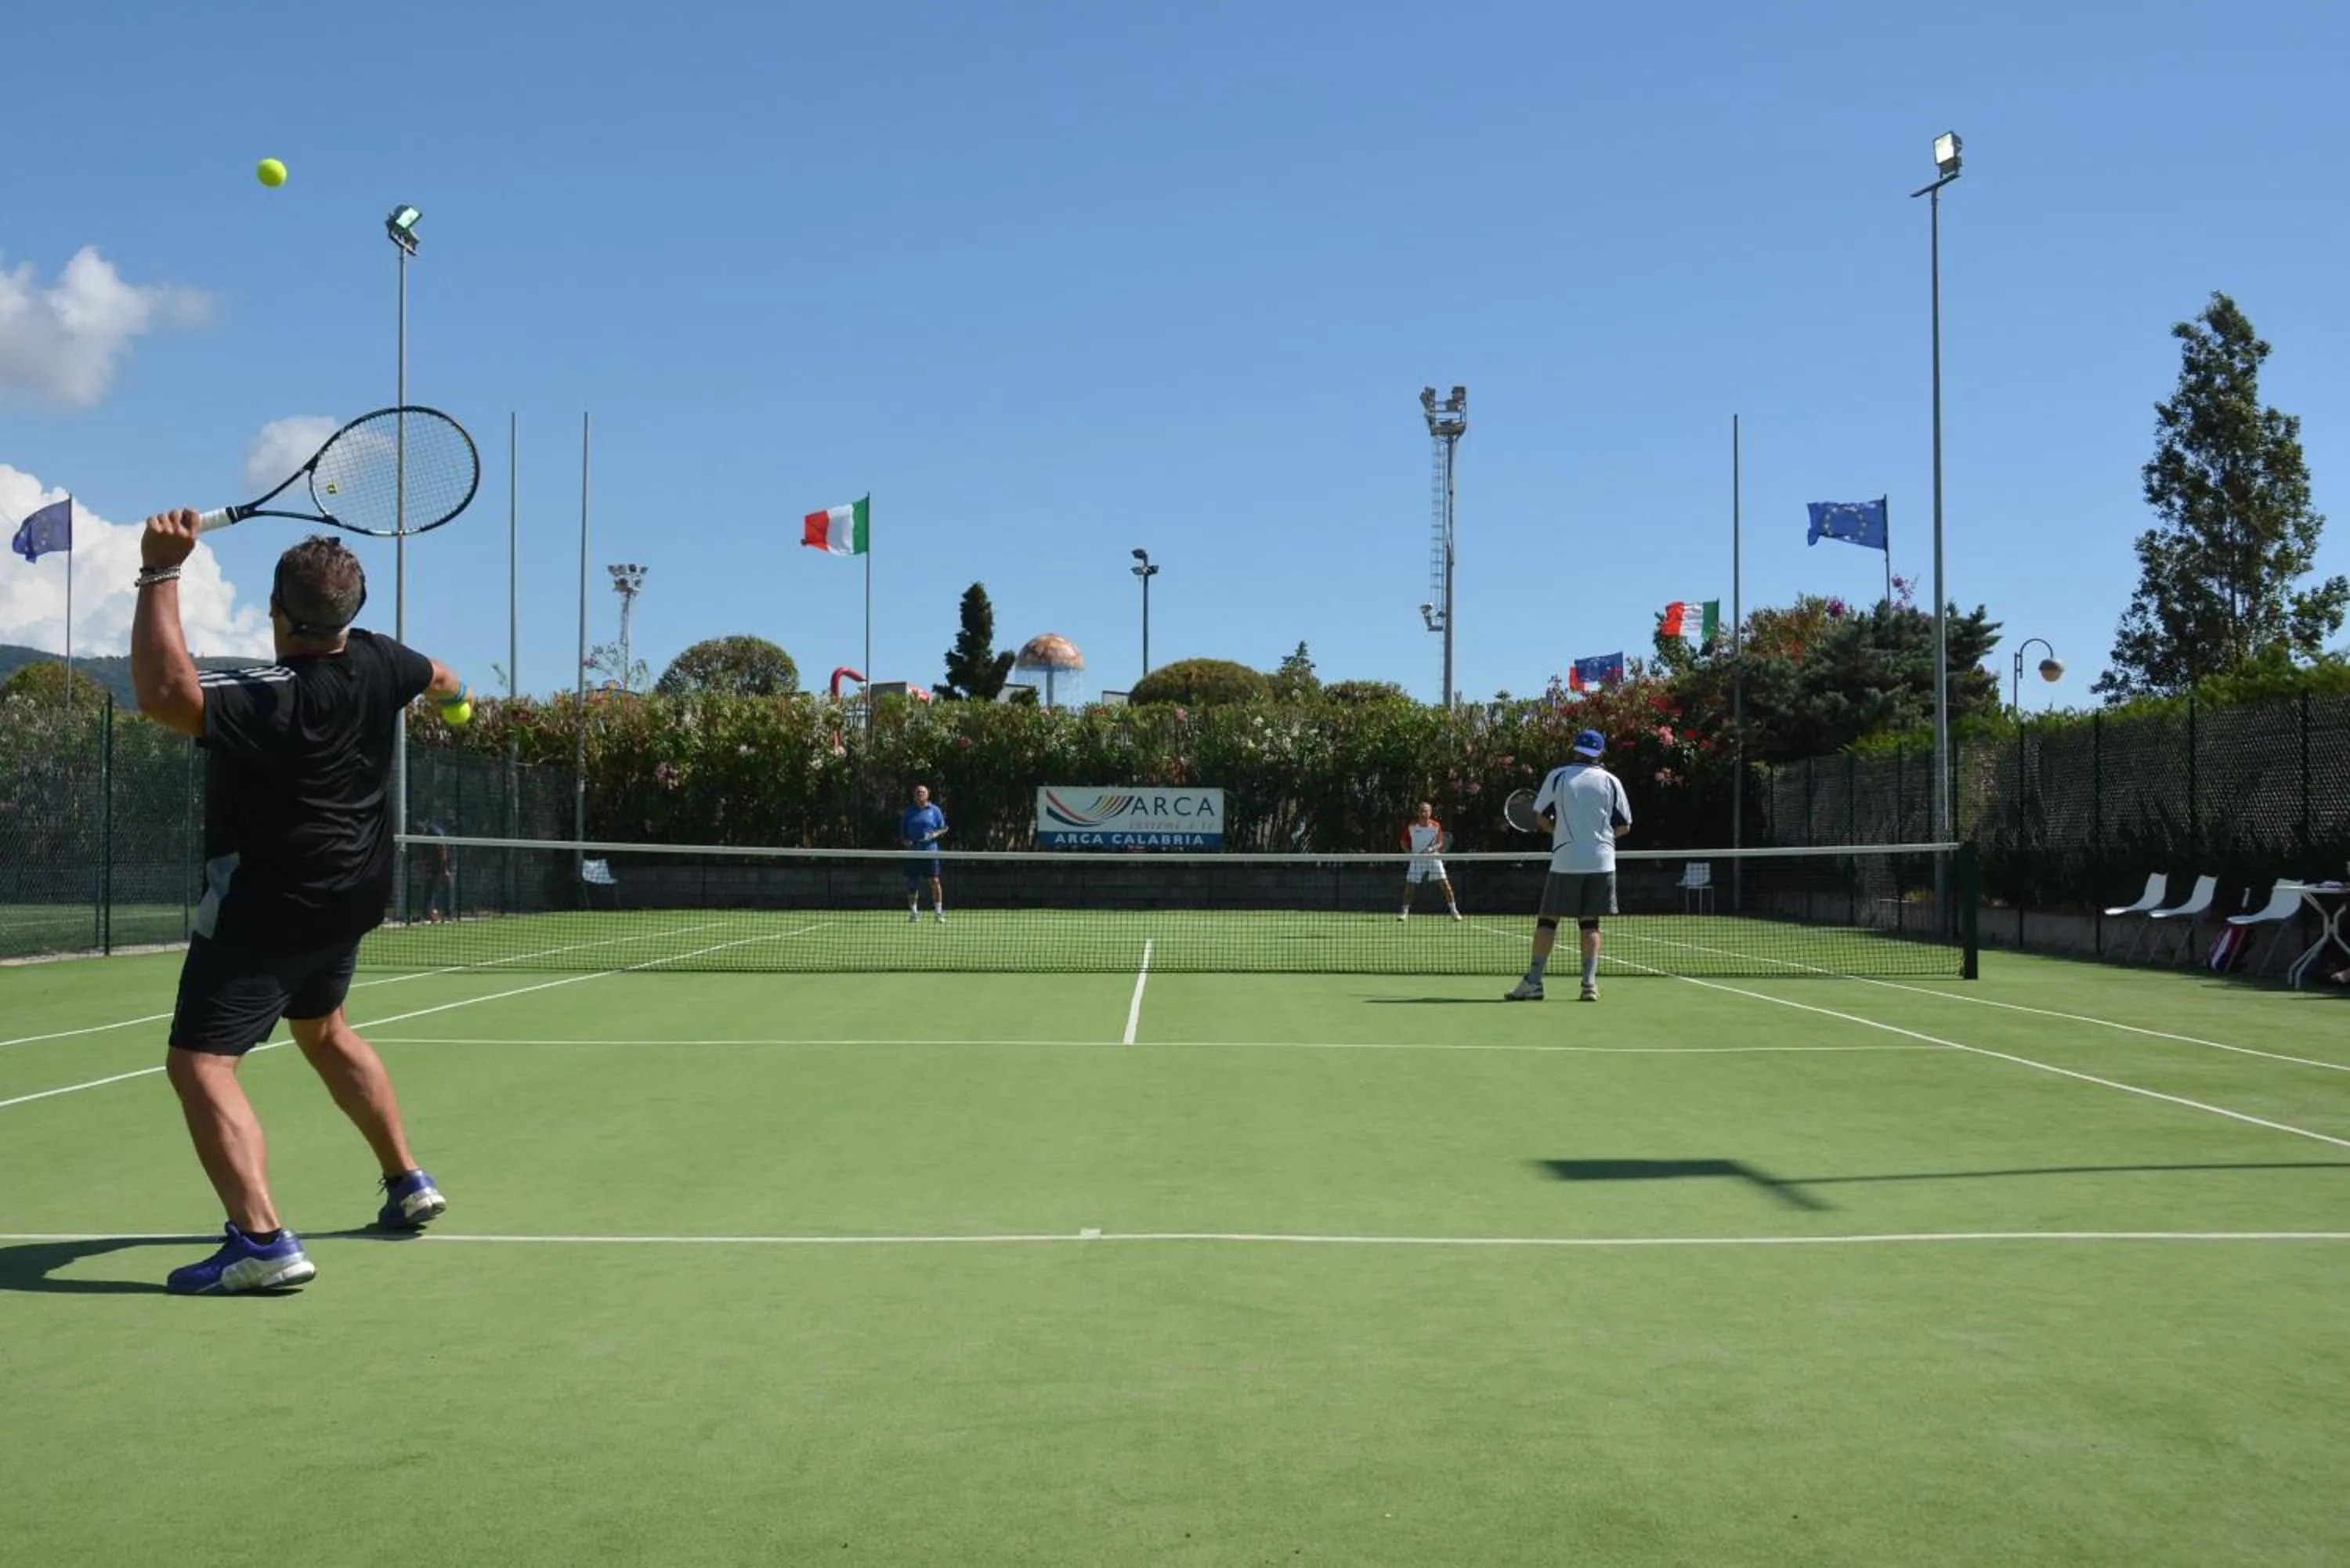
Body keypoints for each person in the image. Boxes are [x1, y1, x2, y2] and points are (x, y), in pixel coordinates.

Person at [131, 517, 469, 1294]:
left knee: (201, 1063)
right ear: (352, 611)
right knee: (324, 1032)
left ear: (277, 613)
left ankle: (260, 1241)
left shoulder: (268, 696)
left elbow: (162, 693)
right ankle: (407, 1179)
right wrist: (456, 710)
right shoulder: (386, 661)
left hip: (267, 908)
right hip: (352, 898)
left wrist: (159, 573)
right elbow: (446, 679)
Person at [1506, 728, 1631, 1003]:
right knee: (1590, 924)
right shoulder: (1611, 781)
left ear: (1575, 749)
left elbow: (1538, 817)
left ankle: (1534, 983)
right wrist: (1601, 840)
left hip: (1566, 860)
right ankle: (1589, 985)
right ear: (1600, 753)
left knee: (1548, 920)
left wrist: (1555, 833)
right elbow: (1624, 826)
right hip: (1602, 862)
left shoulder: (1558, 775)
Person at [1398, 800, 1462, 921]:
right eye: (1421, 811)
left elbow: (1440, 842)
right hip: (1417, 860)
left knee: (1445, 885)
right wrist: (1410, 854)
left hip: (1434, 859)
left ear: (1430, 812)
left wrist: (1432, 848)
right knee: (1410, 886)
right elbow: (1403, 842)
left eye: (1426, 811)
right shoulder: (1412, 826)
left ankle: (1454, 911)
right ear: (1418, 812)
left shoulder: (1436, 826)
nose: (1423, 813)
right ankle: (1404, 912)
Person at [900, 783, 948, 922]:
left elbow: (943, 828)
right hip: (913, 853)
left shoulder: (935, 811)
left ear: (928, 794)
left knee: (935, 881)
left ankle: (938, 913)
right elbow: (903, 834)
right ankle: (914, 914)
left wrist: (934, 834)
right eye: (917, 792)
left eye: (922, 792)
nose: (920, 794)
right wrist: (906, 842)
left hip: (930, 852)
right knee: (912, 883)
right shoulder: (909, 812)